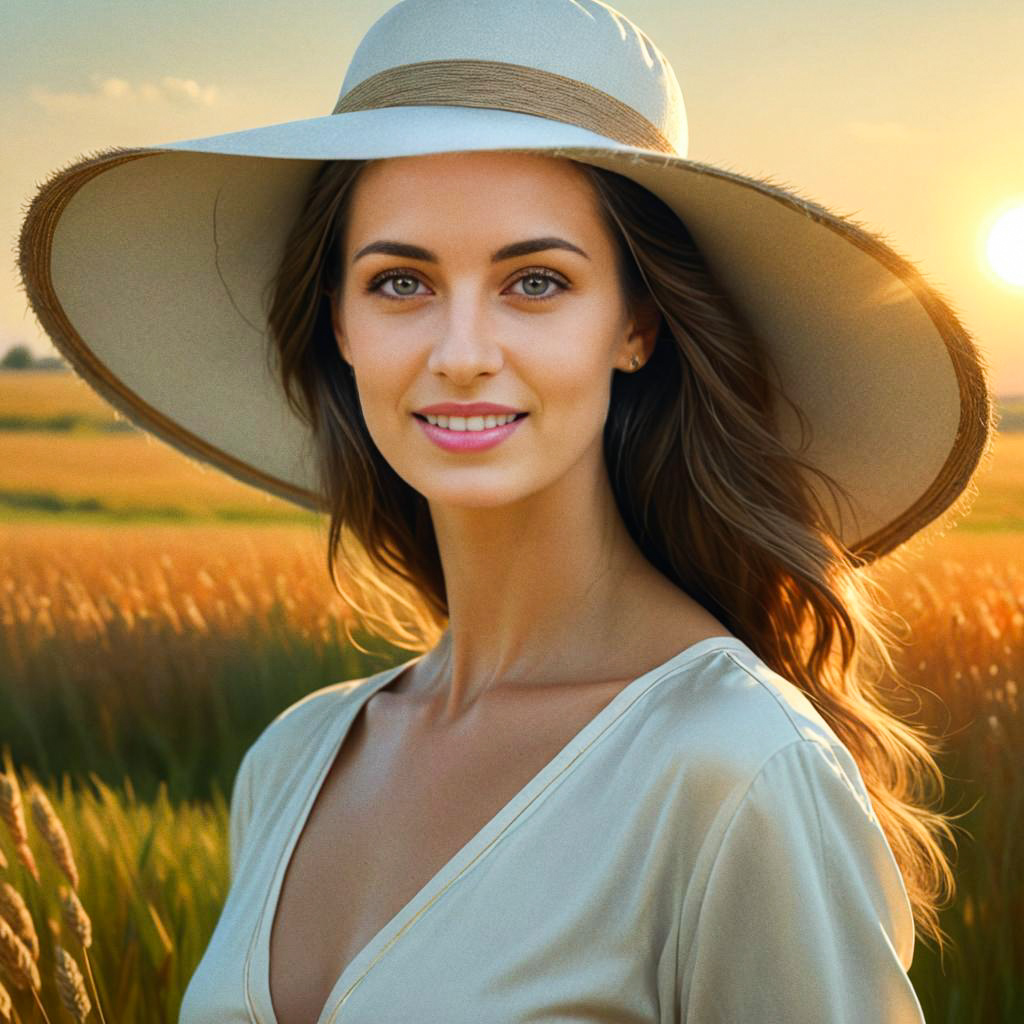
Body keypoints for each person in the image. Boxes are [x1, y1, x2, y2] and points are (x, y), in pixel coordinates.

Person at [17, 2, 995, 1022]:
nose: (462, 350)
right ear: (339, 327)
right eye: (400, 281)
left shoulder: (734, 766)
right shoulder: (294, 760)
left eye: (534, 281)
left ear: (635, 326)